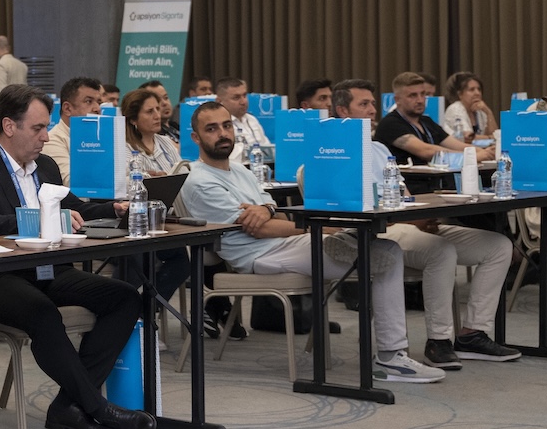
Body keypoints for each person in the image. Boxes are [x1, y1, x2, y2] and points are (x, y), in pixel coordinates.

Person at [180, 99, 440, 383]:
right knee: (384, 255)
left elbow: (274, 213)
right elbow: (259, 231)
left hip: (283, 245)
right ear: (196, 137)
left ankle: (391, 354)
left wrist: (266, 210)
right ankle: (390, 358)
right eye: (211, 129)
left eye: (226, 125)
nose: (222, 134)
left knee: (384, 249)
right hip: (260, 256)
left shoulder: (240, 170)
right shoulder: (199, 181)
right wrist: (309, 229)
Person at [0, 85, 153, 429]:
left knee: (124, 297)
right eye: (38, 128)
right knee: (42, 312)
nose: (46, 136)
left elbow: (75, 208)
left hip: (47, 269)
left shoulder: (45, 165)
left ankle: (67, 407)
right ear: (9, 126)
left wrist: (114, 209)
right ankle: (97, 407)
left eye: (46, 127)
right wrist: (45, 218)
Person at [331, 80, 520, 368]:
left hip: (407, 223)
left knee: (498, 246)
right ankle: (438, 341)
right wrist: (412, 218)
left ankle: (472, 333)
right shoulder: (332, 152)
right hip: (378, 232)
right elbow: (350, 207)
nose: (372, 110)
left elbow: (403, 195)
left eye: (372, 103)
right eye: (364, 104)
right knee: (440, 250)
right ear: (343, 111)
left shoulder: (378, 148)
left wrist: (422, 215)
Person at [375, 72, 495, 166]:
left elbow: (457, 145)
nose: (420, 100)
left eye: (423, 94)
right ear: (397, 100)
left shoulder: (426, 122)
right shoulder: (390, 123)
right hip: (409, 185)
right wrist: (472, 156)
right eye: (413, 95)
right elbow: (426, 151)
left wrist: (483, 152)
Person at [39, 76, 104, 187]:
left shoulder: (100, 138)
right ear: (67, 109)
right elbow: (72, 183)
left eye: (98, 102)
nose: (97, 108)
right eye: (88, 101)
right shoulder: (52, 140)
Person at [120, 87, 181, 175]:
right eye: (150, 111)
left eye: (158, 109)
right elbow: (126, 178)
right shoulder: (125, 148)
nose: (157, 116)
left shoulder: (166, 142)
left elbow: (184, 174)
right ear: (133, 119)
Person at [216, 78, 270, 158]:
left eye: (244, 95)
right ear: (219, 101)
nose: (243, 101)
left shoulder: (252, 119)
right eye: (236, 98)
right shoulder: (218, 124)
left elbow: (268, 149)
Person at [441, 72, 495, 144]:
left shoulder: (480, 110)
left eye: (479, 89)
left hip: (479, 149)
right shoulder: (455, 108)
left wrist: (488, 112)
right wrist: (490, 138)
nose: (477, 93)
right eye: (472, 90)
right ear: (460, 94)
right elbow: (468, 138)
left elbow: (494, 134)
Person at [0, 35, 26, 107]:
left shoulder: (1, 65)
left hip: (4, 108)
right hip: (19, 106)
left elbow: (0, 91)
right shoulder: (22, 66)